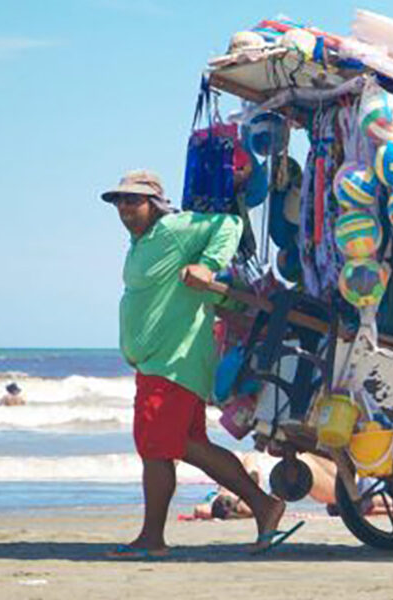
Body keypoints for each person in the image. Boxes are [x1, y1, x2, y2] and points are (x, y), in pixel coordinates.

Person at [101, 169, 300, 558]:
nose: (124, 207)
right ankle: (263, 506)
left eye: (133, 199)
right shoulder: (142, 241)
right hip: (164, 363)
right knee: (184, 445)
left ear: (154, 204)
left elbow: (230, 223)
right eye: (119, 200)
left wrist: (208, 264)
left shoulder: (174, 229)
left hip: (172, 362)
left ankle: (153, 539)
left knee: (159, 448)